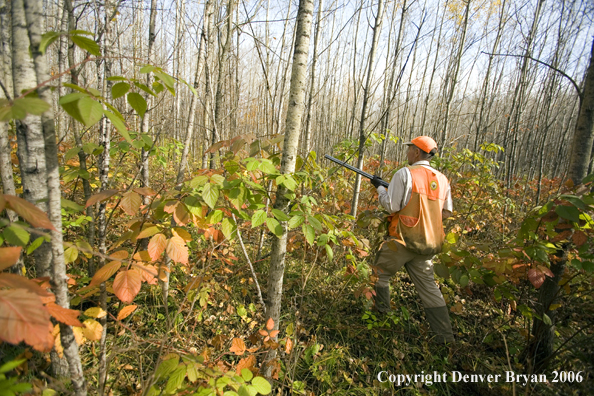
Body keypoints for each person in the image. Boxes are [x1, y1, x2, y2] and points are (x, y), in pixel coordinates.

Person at [370, 136, 454, 343]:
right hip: (427, 245)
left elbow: (391, 206)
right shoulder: (442, 179)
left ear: (417, 152)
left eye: (409, 149)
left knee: (379, 275)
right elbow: (446, 213)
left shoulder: (405, 173)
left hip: (403, 241)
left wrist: (380, 188)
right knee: (429, 289)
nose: (407, 153)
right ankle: (445, 338)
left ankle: (381, 321)